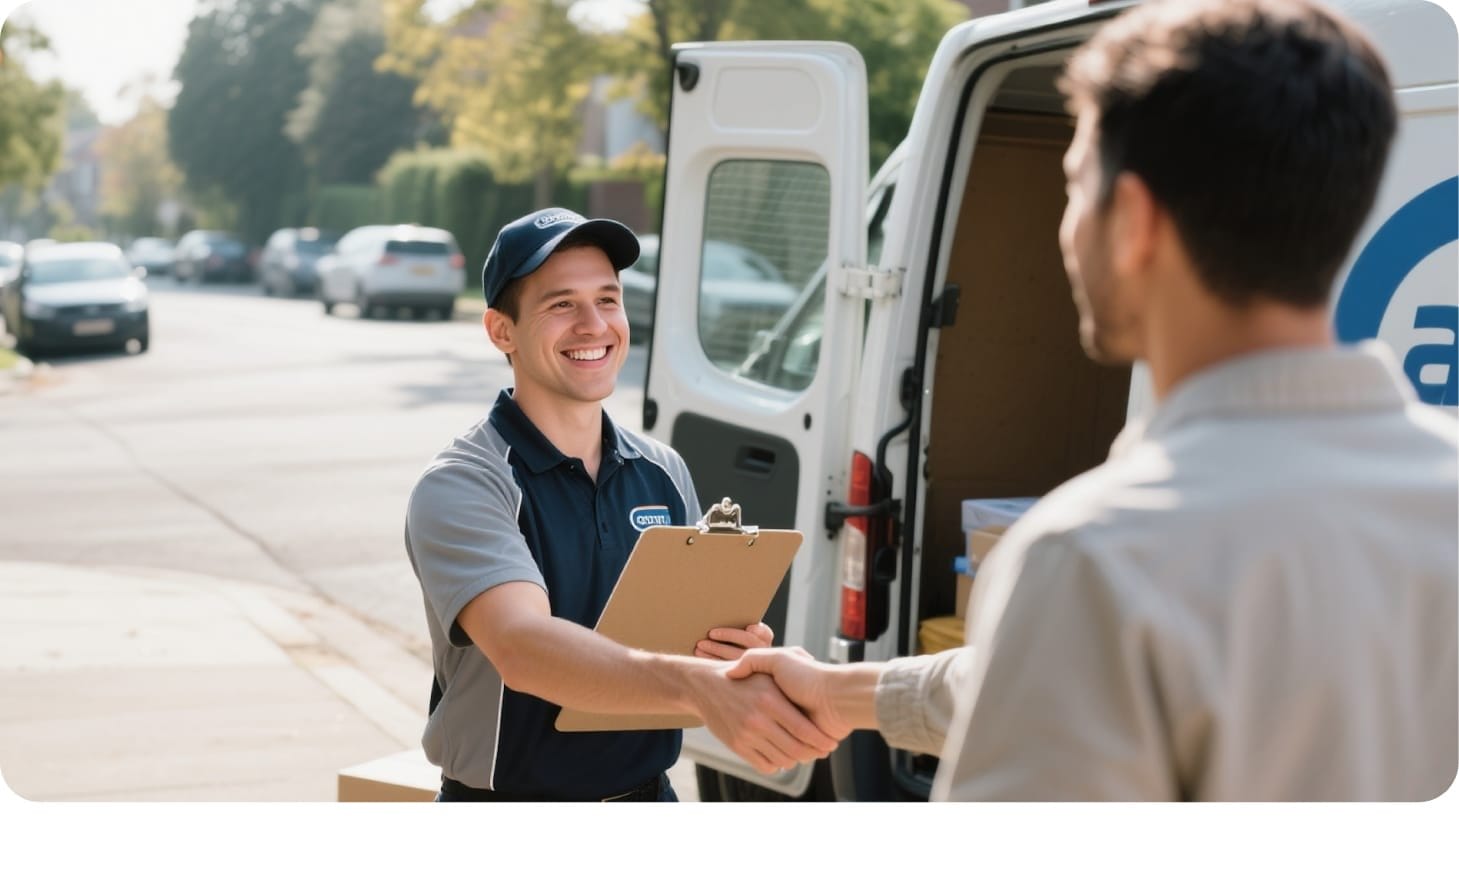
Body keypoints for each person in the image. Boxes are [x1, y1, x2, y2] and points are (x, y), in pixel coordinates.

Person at [717, 0, 1458, 800]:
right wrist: (842, 693)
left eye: (1072, 186)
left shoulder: (1095, 555)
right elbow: (1063, 677)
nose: (1066, 227)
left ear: (1133, 220)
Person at [406, 207, 837, 801]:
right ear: (502, 331)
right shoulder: (463, 484)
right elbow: (523, 647)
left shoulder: (663, 471)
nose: (594, 325)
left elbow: (677, 644)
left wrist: (728, 655)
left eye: (607, 300)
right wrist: (697, 684)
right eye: (562, 305)